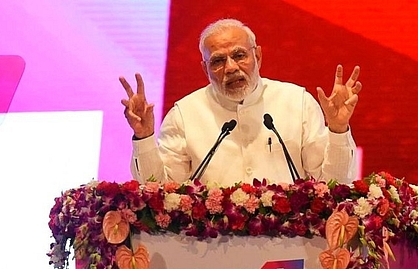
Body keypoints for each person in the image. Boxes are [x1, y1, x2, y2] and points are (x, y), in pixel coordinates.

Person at [120, 18, 362, 187]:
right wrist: (144, 138)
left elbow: (334, 185)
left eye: (239, 55)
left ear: (257, 55)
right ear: (205, 69)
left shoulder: (296, 102)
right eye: (217, 61)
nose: (231, 68)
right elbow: (159, 192)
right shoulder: (185, 113)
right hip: (207, 253)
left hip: (290, 253)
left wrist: (338, 130)